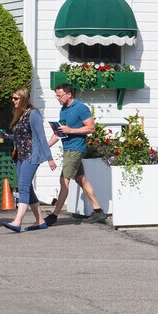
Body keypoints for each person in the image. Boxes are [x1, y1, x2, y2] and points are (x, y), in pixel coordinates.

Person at [47, 83, 104, 224]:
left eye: (60, 96)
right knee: (81, 179)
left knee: (64, 181)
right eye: (56, 96)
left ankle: (54, 216)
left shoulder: (80, 108)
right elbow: (59, 132)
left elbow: (91, 128)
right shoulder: (63, 110)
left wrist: (71, 131)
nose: (58, 98)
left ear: (69, 94)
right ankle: (98, 211)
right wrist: (45, 146)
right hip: (68, 149)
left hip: (75, 149)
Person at [0, 88, 55, 231]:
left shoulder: (33, 114)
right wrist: (7, 137)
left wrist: (49, 158)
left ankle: (17, 221)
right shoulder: (20, 114)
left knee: (23, 187)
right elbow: (21, 138)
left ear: (24, 98)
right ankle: (40, 221)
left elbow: (41, 137)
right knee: (28, 188)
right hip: (20, 156)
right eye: (12, 98)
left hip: (31, 155)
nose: (13, 101)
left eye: (16, 98)